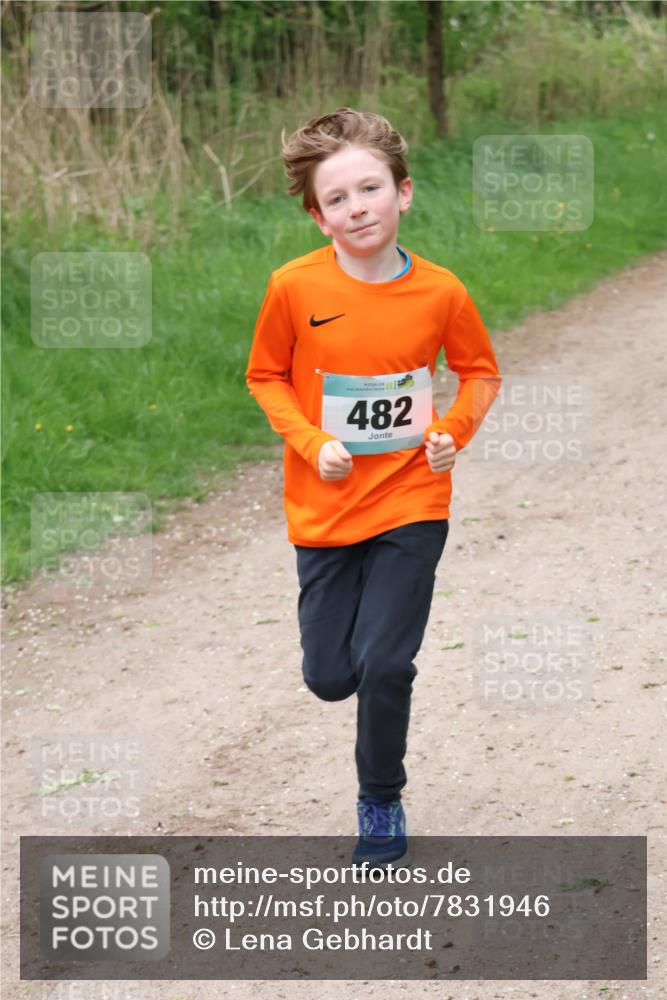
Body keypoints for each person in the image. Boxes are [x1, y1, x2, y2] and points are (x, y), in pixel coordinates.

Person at [245, 107, 501, 867]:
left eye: (370, 188)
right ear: (318, 216)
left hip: (411, 499)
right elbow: (264, 375)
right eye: (337, 198)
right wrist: (313, 441)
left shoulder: (441, 292)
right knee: (330, 677)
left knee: (386, 663)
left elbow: (479, 373)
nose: (358, 207)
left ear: (404, 193)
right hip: (322, 508)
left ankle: (379, 801)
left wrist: (451, 432)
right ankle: (343, 681)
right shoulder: (292, 288)